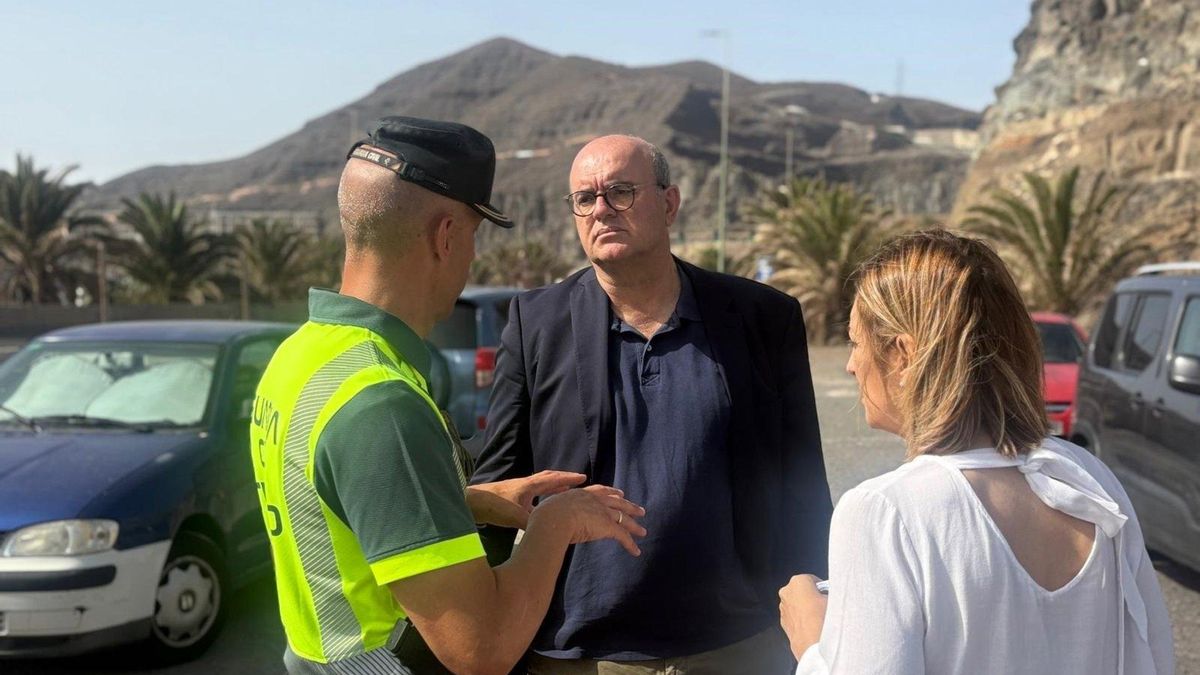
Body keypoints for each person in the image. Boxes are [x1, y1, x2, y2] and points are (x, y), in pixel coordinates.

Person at [251, 117, 647, 675]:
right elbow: (479, 650)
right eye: (474, 237)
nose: (470, 260)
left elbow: (342, 504)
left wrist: (475, 500)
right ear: (446, 237)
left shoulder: (301, 358)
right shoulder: (381, 403)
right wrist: (557, 524)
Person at [471, 134, 833, 673]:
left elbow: (802, 483)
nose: (601, 210)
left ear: (669, 203)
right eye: (585, 198)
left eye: (620, 191)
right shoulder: (535, 323)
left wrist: (819, 628)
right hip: (580, 654)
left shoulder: (762, 318)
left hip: (738, 645)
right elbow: (499, 485)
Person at [779, 229, 1176, 674]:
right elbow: (1153, 656)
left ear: (904, 355)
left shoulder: (884, 512)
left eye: (855, 341)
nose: (851, 364)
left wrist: (812, 642)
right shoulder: (1087, 476)